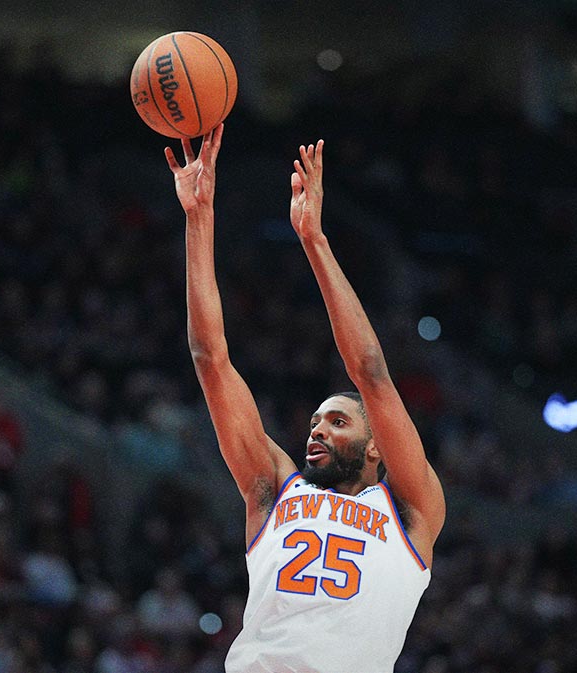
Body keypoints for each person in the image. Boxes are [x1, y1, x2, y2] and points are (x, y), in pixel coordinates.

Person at [165, 126, 446, 672]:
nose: (316, 429)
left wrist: (314, 240)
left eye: (337, 421)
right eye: (316, 420)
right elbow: (209, 358)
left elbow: (370, 372)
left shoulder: (410, 510)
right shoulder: (273, 489)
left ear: (374, 448)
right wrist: (198, 218)